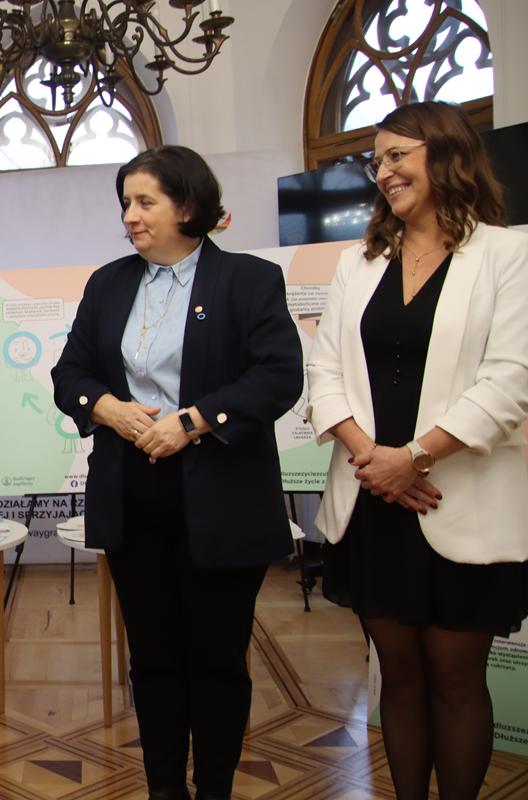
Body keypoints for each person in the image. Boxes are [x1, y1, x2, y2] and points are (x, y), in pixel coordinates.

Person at [52, 146, 302, 800]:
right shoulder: (108, 284)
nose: (130, 216)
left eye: (145, 202)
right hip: (133, 499)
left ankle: (213, 789)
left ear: (188, 205)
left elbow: (279, 377)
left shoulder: (248, 280)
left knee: (217, 662)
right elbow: (69, 374)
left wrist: (193, 421)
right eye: (125, 203)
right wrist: (107, 407)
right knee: (154, 662)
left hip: (222, 501)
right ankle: (165, 789)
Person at [307, 101, 528, 800]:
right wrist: (374, 460)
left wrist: (415, 459)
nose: (384, 172)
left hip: (458, 496)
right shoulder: (358, 262)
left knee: (457, 681)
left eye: (397, 155)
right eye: (376, 160)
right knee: (397, 679)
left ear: (447, 154)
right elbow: (324, 372)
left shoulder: (509, 254)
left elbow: (512, 379)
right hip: (372, 498)